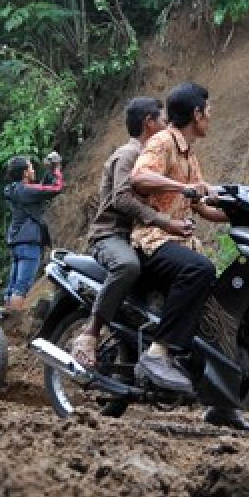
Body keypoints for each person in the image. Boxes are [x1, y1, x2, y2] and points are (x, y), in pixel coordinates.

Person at [130, 81, 249, 432]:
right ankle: (158, 352)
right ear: (195, 113)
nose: (211, 117)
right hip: (153, 240)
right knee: (200, 269)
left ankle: (222, 405)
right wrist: (180, 188)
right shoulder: (162, 142)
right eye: (208, 111)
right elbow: (140, 176)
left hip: (180, 245)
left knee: (223, 309)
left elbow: (202, 206)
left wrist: (241, 213)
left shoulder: (189, 154)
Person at [70, 98, 187, 368]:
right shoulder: (129, 154)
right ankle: (90, 333)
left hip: (141, 236)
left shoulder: (156, 159)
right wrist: (163, 222)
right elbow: (121, 198)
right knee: (127, 266)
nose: (168, 127)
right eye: (162, 120)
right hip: (112, 235)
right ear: (149, 122)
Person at [2, 151, 63, 318]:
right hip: (28, 243)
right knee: (21, 287)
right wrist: (56, 168)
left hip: (16, 242)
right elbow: (56, 188)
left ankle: (6, 325)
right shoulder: (26, 191)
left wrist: (50, 172)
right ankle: (13, 324)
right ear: (24, 173)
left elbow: (40, 190)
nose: (33, 170)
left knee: (13, 286)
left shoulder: (15, 190)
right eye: (30, 168)